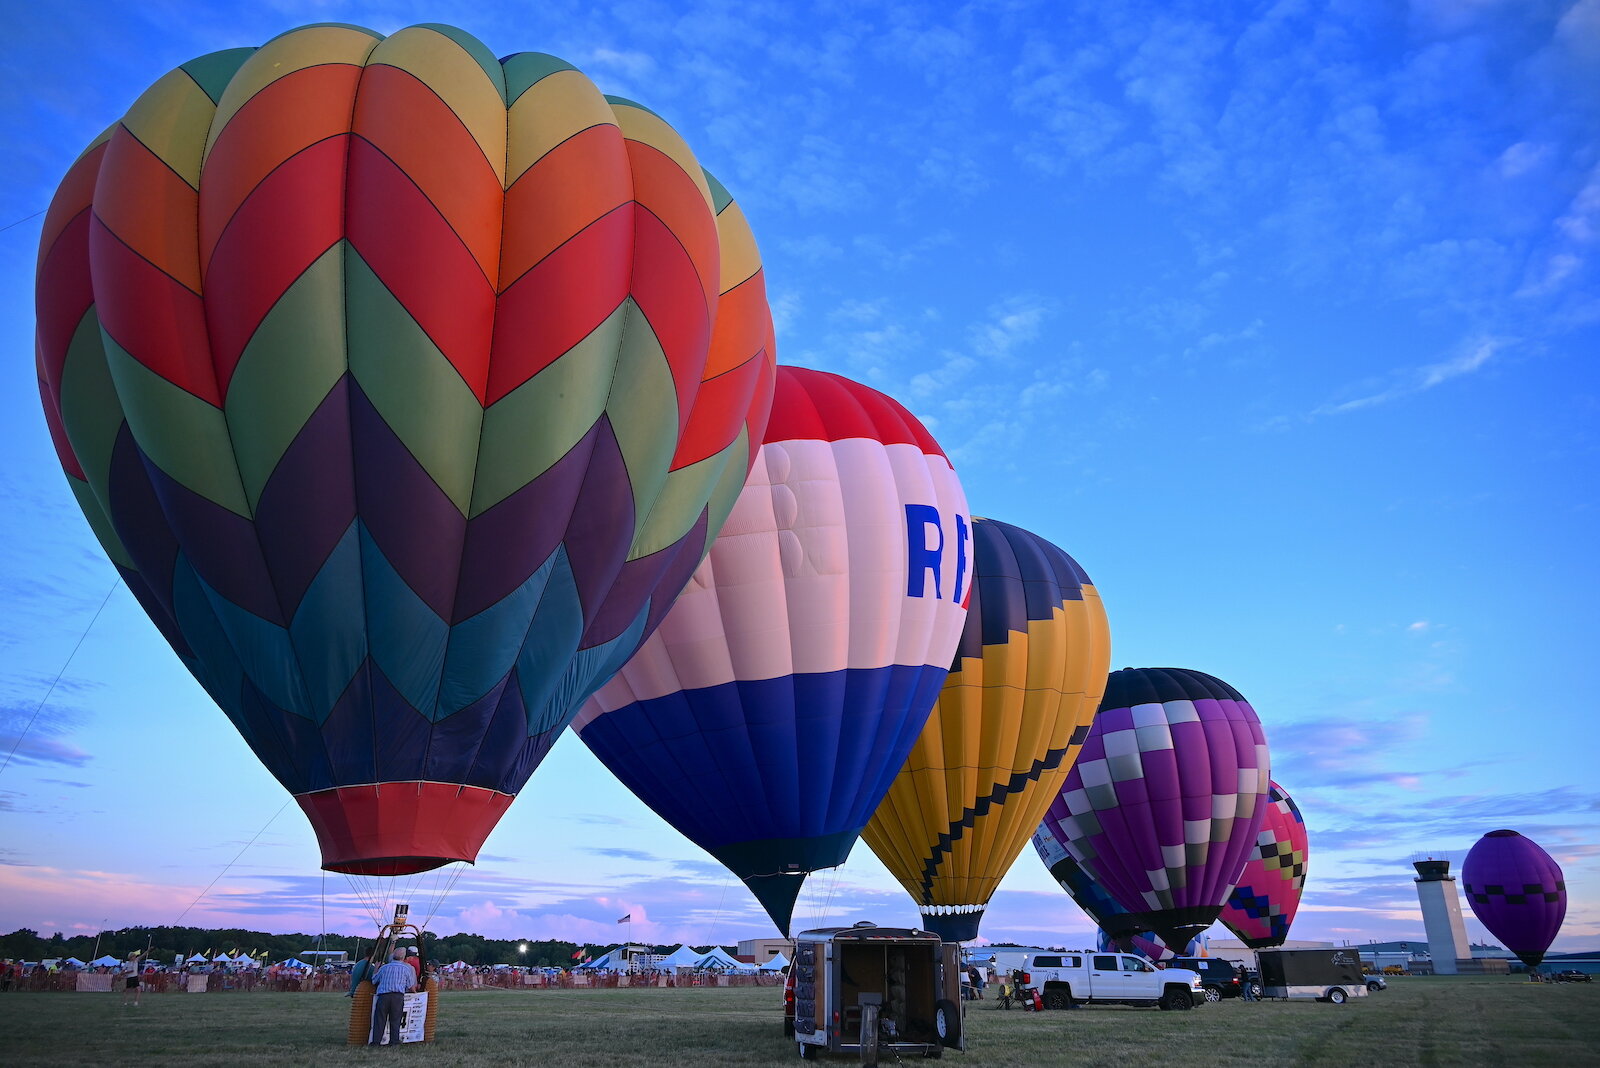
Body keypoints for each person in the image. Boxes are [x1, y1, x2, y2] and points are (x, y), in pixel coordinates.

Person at [369, 949, 416, 1047]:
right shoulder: (406, 969)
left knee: (380, 1019)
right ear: (403, 958)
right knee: (395, 1019)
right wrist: (415, 993)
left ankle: (376, 1042)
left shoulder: (384, 968)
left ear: (393, 956)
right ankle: (394, 1042)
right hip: (397, 997)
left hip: (383, 996)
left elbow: (374, 980)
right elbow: (410, 985)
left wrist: (376, 968)